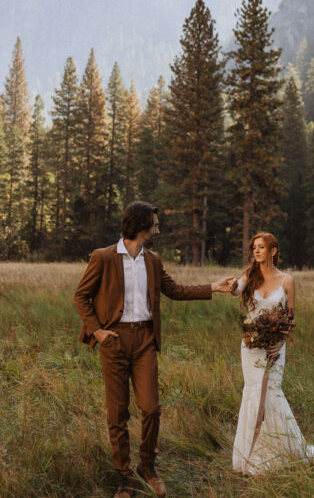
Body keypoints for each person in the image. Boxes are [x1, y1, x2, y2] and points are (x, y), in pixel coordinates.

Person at [74, 201, 234, 498]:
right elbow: (81, 296)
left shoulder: (153, 260)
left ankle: (147, 466)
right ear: (141, 226)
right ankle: (124, 477)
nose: (158, 228)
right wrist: (97, 331)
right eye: (155, 224)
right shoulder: (103, 257)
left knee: (151, 408)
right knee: (117, 413)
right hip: (114, 341)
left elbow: (175, 291)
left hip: (145, 340)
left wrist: (215, 287)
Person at [230, 232, 314, 475]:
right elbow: (235, 291)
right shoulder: (250, 275)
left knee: (271, 392)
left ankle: (282, 450)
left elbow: (290, 317)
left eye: (261, 247)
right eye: (254, 248)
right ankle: (251, 453)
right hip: (251, 346)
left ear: (273, 251)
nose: (256, 251)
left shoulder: (287, 280)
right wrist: (230, 284)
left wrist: (280, 343)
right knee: (252, 392)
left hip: (274, 346)